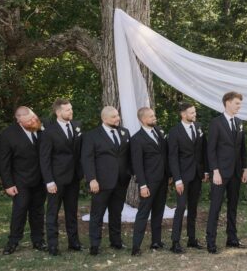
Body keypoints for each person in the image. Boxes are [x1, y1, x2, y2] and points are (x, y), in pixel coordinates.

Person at [81, 106, 132, 255]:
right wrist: (92, 179)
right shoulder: (92, 136)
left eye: (117, 116)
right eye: (113, 117)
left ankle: (116, 241)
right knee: (97, 214)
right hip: (101, 182)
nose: (117, 119)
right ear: (104, 119)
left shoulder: (124, 132)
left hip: (121, 181)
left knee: (116, 213)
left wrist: (129, 172)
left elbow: (128, 155)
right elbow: (87, 159)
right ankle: (95, 244)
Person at [0, 106, 47, 255]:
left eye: (34, 117)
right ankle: (13, 241)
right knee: (20, 211)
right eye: (29, 120)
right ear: (19, 120)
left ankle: (38, 240)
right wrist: (8, 184)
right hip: (20, 180)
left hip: (40, 179)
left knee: (38, 211)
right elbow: (4, 162)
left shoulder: (41, 128)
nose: (33, 121)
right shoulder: (8, 135)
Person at [205, 91, 247, 254]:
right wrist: (215, 171)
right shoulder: (216, 123)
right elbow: (211, 150)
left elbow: (242, 148)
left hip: (236, 172)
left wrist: (245, 168)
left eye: (240, 104)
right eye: (237, 103)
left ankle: (232, 239)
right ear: (228, 103)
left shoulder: (239, 122)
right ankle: (211, 242)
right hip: (220, 173)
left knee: (233, 207)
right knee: (215, 207)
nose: (239, 106)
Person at [39, 98, 83, 255]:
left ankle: (74, 243)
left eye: (71, 109)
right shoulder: (49, 132)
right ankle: (53, 245)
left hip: (73, 177)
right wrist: (49, 181)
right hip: (56, 179)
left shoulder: (77, 127)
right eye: (67, 110)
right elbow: (44, 159)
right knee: (52, 213)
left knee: (72, 211)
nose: (71, 112)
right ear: (58, 112)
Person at [168, 102, 209, 253]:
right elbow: (172, 157)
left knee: (193, 208)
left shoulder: (198, 127)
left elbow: (203, 150)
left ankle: (192, 239)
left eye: (194, 112)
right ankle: (175, 242)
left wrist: (205, 171)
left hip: (197, 175)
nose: (194, 115)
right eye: (191, 113)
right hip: (182, 177)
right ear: (183, 114)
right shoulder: (174, 132)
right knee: (180, 208)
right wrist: (177, 179)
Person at [130, 107, 169, 255]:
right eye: (151, 116)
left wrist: (169, 175)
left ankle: (156, 241)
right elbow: (137, 164)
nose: (154, 118)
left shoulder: (159, 132)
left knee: (159, 211)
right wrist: (143, 185)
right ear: (143, 119)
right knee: (143, 213)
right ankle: (136, 246)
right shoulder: (136, 139)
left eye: (154, 115)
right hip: (149, 182)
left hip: (163, 179)